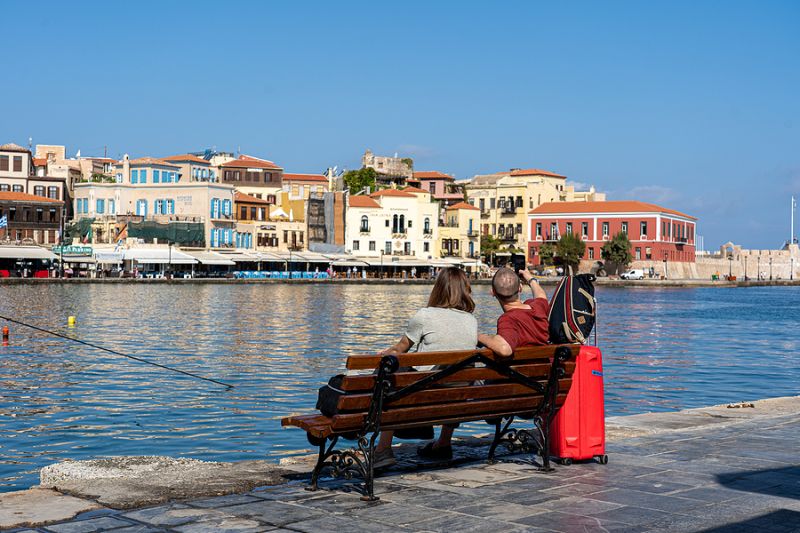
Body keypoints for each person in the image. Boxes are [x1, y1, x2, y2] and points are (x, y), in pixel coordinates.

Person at [373, 267, 478, 468]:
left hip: (420, 396)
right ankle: (444, 442)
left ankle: (383, 449)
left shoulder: (425, 315)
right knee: (455, 379)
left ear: (438, 288)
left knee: (388, 378)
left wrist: (384, 354)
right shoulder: (471, 321)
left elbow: (400, 349)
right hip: (454, 397)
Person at [478, 267, 550, 358]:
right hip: (545, 368)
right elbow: (541, 295)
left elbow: (504, 349)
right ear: (520, 288)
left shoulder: (508, 319)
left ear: (493, 292)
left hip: (520, 371)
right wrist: (530, 279)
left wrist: (479, 336)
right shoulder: (538, 307)